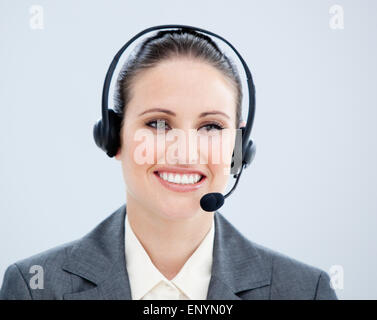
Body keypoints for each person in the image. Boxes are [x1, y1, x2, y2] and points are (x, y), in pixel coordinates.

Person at [0, 28, 338, 300]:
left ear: (238, 151)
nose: (185, 152)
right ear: (114, 138)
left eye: (211, 127)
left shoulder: (306, 291)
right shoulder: (35, 288)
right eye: (159, 124)